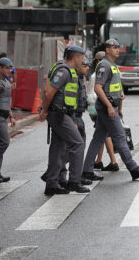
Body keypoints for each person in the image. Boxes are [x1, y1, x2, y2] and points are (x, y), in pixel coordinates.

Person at [81, 39, 139, 183]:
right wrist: (109, 106)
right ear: (107, 50)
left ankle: (87, 170)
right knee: (120, 138)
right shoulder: (104, 65)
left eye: (118, 47)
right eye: (114, 47)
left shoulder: (113, 65)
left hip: (112, 107)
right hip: (107, 108)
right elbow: (97, 88)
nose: (118, 50)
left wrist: (119, 104)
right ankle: (133, 169)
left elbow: (115, 86)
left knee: (98, 139)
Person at [40, 45, 91, 195]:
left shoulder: (68, 71)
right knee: (77, 143)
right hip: (59, 114)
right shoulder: (64, 71)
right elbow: (49, 93)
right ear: (75, 57)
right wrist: (44, 110)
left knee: (58, 148)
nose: (82, 61)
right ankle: (74, 181)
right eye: (81, 57)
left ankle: (51, 183)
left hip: (63, 114)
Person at [55, 56, 93, 188]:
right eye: (85, 65)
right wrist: (73, 119)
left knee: (77, 147)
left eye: (88, 65)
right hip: (73, 116)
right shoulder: (71, 77)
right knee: (73, 147)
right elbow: (71, 100)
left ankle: (71, 175)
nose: (87, 68)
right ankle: (55, 173)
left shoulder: (80, 78)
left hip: (78, 116)